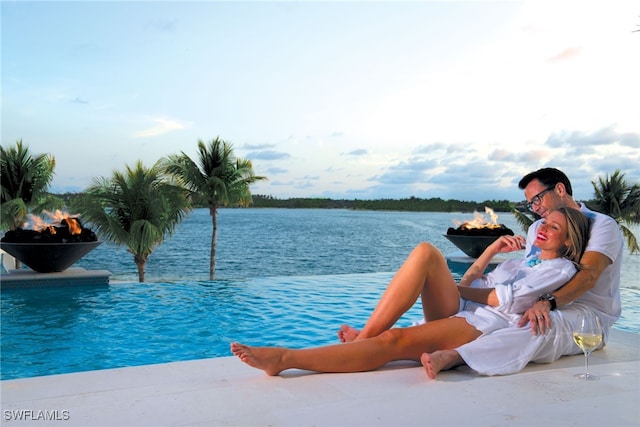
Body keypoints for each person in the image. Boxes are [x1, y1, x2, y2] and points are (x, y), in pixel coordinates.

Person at [231, 207, 590, 376]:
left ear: (569, 239)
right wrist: (493, 249)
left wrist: (458, 287)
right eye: (543, 222)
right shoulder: (522, 261)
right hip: (463, 304)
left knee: (394, 341)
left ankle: (286, 360)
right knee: (425, 252)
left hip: (484, 321)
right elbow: (478, 278)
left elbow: (499, 300)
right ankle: (364, 337)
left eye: (554, 227)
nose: (543, 227)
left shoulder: (560, 268)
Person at [422, 168, 624, 377]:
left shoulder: (601, 224)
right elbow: (534, 271)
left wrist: (547, 302)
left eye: (537, 199)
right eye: (530, 204)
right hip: (543, 299)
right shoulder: (536, 228)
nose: (535, 209)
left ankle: (455, 356)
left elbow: (588, 275)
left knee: (537, 324)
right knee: (503, 314)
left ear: (560, 189)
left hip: (586, 314)